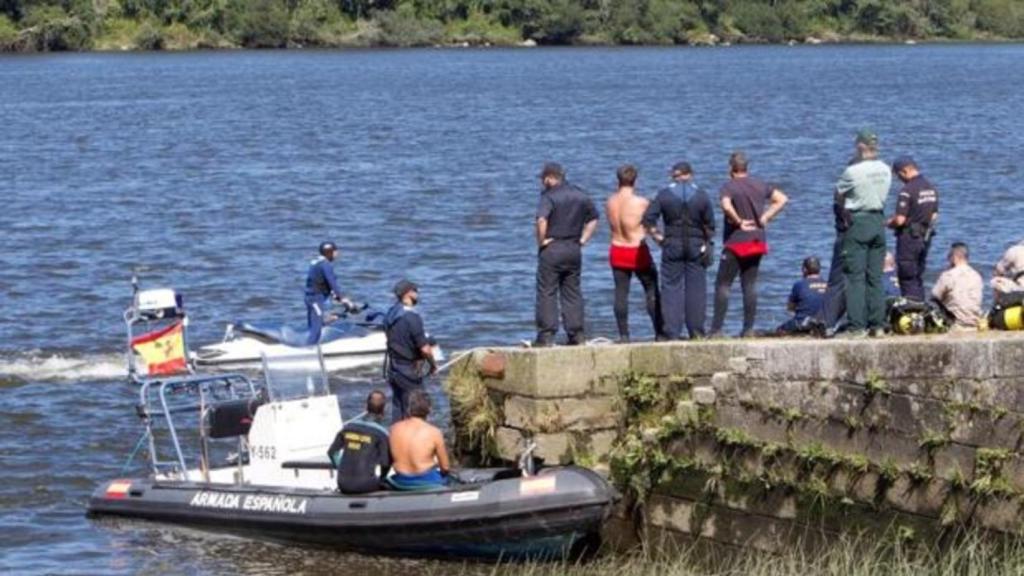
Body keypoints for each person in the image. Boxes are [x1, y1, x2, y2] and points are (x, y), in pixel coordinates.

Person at [710, 152, 788, 337]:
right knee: (749, 285)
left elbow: (726, 205)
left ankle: (717, 329)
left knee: (723, 285)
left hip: (736, 241)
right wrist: (766, 217)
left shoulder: (729, 186)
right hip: (756, 240)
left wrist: (738, 221)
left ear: (731, 169)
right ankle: (748, 329)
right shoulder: (759, 184)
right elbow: (782, 199)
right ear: (746, 168)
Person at [643, 161, 715, 339]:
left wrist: (659, 238)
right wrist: (706, 242)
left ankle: (672, 331)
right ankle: (696, 331)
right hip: (695, 244)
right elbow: (711, 225)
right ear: (690, 175)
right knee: (696, 289)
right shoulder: (701, 195)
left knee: (670, 288)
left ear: (674, 176)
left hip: (672, 243)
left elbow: (648, 220)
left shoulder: (664, 195)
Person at [534, 163, 599, 346]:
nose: (542, 183)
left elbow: (541, 219)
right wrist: (583, 239)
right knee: (572, 292)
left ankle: (546, 335)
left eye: (543, 179)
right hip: (573, 248)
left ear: (549, 178)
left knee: (547, 291)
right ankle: (576, 334)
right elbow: (594, 218)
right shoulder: (580, 194)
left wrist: (541, 241)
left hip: (553, 248)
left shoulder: (548, 196)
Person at [836, 129, 892, 337]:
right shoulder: (886, 169)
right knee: (875, 277)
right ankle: (878, 324)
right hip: (879, 220)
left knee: (855, 277)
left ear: (860, 146)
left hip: (858, 220)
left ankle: (857, 326)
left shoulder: (853, 171)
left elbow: (839, 195)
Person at [606, 164, 662, 342]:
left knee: (621, 293)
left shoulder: (610, 202)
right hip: (636, 249)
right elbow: (650, 225)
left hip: (617, 248)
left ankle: (624, 335)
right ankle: (659, 332)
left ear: (618, 180)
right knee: (651, 289)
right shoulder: (641, 202)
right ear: (635, 180)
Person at [384, 280, 437, 423]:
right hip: (408, 370)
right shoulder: (412, 318)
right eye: (416, 291)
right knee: (417, 409)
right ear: (408, 293)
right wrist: (433, 365)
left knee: (398, 407)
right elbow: (425, 350)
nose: (417, 294)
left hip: (393, 368)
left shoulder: (391, 313)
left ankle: (396, 435)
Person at [887, 156, 939, 302]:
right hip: (925, 236)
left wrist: (888, 223)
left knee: (907, 276)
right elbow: (934, 215)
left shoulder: (907, 190)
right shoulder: (931, 188)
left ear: (905, 171)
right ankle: (921, 305)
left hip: (909, 238)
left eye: (899, 175)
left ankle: (912, 307)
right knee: (918, 274)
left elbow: (900, 220)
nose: (899, 179)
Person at [327, 390, 391, 494]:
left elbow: (332, 453)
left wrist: (341, 468)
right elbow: (385, 463)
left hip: (342, 483)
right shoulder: (382, 434)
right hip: (365, 485)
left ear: (366, 407)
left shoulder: (347, 428)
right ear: (383, 411)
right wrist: (382, 478)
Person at [388, 390, 451, 491]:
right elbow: (445, 467)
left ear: (409, 409)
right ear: (429, 410)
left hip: (401, 480)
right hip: (426, 480)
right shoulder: (434, 432)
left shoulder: (394, 429)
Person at [304, 241, 353, 346]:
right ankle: (309, 349)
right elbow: (332, 283)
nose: (337, 254)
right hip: (315, 299)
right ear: (329, 252)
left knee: (315, 323)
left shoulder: (316, 262)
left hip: (311, 297)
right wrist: (342, 298)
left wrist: (337, 297)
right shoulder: (325, 265)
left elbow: (321, 282)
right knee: (316, 328)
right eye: (335, 251)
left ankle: (331, 318)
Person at [931, 242, 983, 330]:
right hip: (974, 323)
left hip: (955, 323)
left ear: (954, 257)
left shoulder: (948, 275)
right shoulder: (977, 276)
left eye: (949, 256)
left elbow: (934, 296)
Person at [777, 257, 828, 334]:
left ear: (804, 270)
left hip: (802, 323)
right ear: (819, 269)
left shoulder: (799, 285)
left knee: (779, 330)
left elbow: (790, 308)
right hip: (824, 322)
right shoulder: (829, 285)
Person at [992, 240, 1024, 306]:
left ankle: (997, 306)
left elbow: (999, 270)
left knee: (996, 281)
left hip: (1021, 289)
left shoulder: (1016, 250)